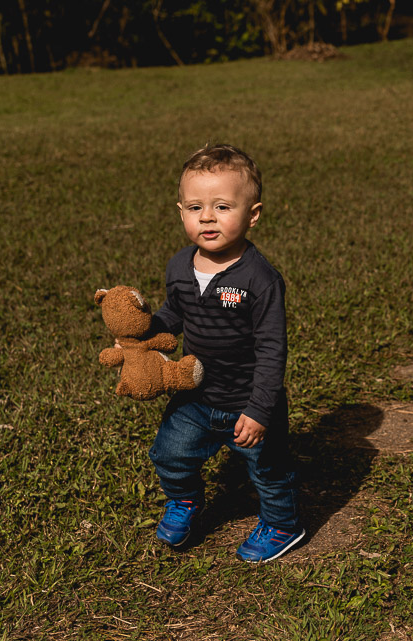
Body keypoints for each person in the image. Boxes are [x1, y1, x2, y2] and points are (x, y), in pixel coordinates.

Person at [145, 143, 303, 563]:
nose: (207, 217)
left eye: (222, 206)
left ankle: (284, 524)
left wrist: (259, 409)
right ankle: (185, 501)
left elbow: (272, 349)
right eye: (196, 207)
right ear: (181, 212)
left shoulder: (259, 278)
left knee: (268, 471)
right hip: (195, 395)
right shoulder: (179, 267)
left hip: (247, 400)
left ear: (252, 214)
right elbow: (174, 314)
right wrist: (147, 331)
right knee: (169, 453)